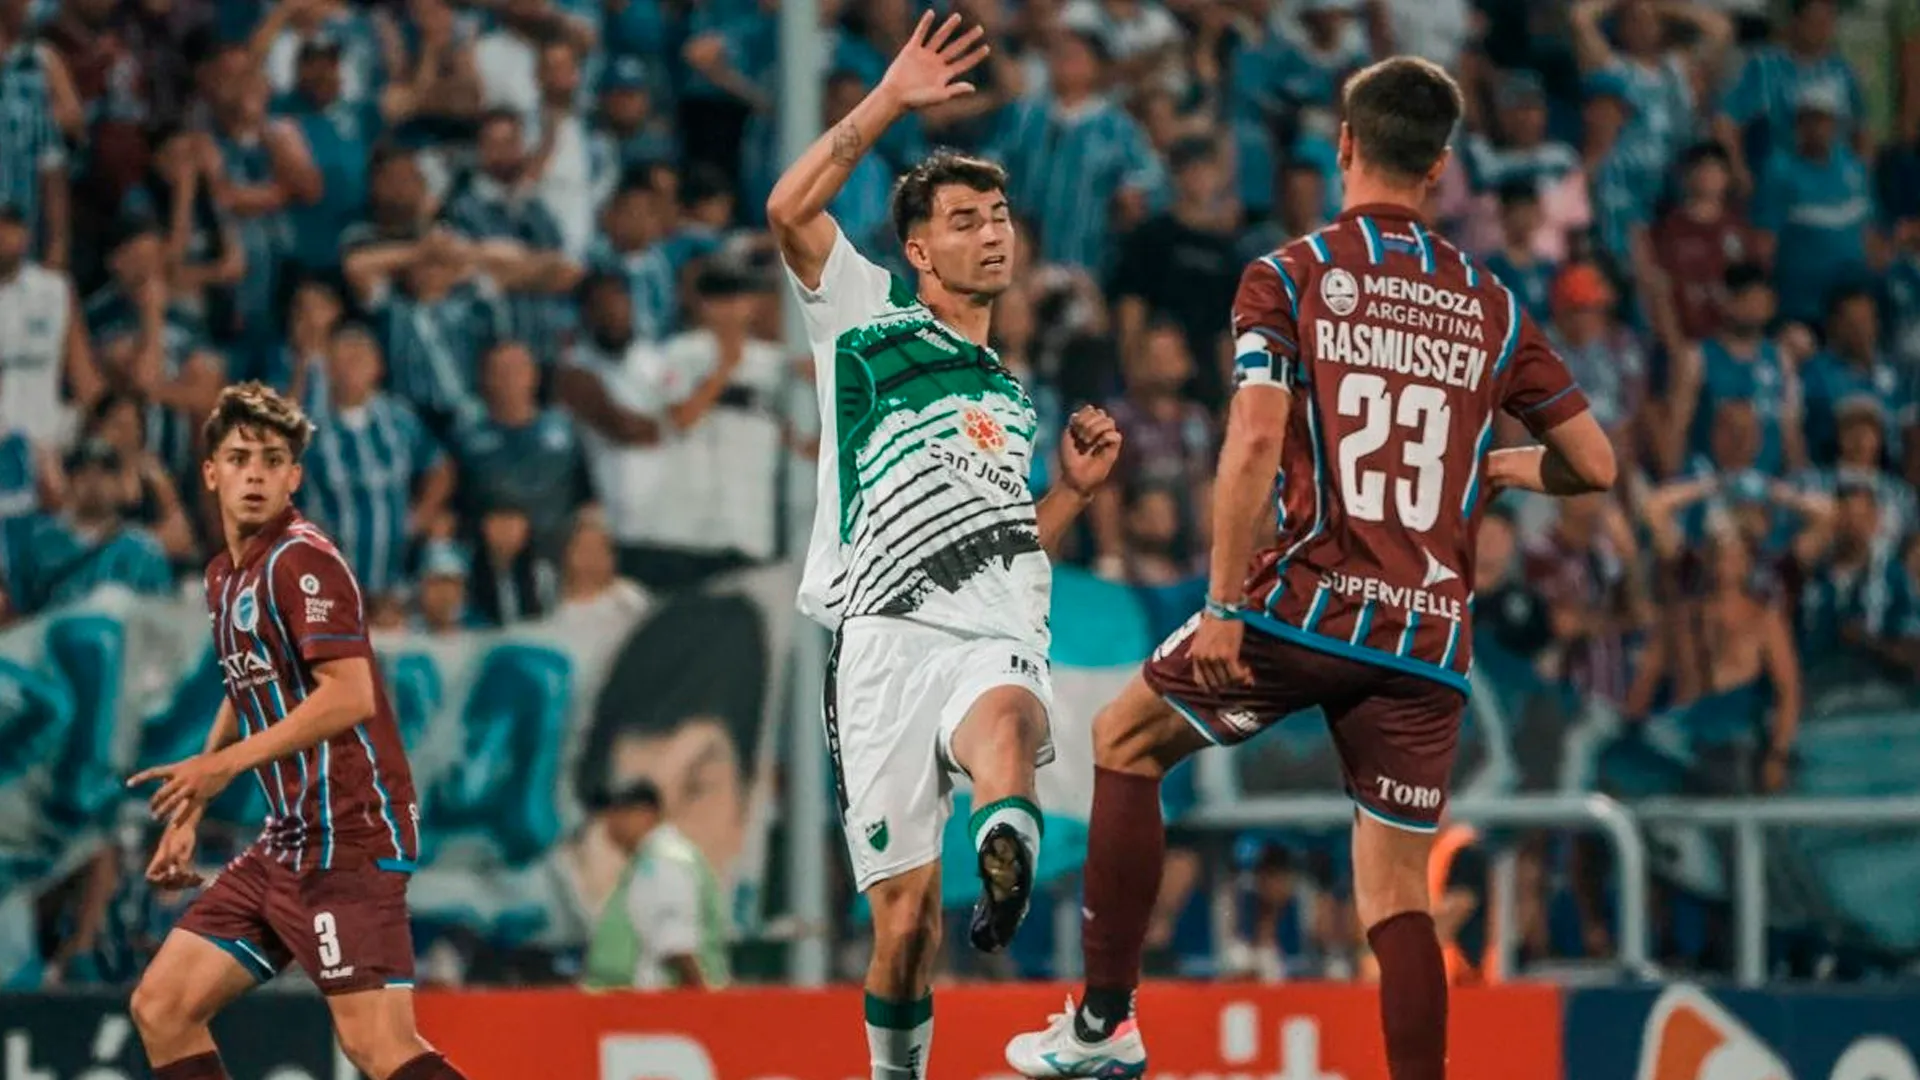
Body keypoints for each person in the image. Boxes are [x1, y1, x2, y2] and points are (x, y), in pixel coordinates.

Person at [1005, 56, 1617, 1078]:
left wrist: (1223, 604)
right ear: (1440, 169)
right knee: (1396, 893)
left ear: (1344, 147)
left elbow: (1250, 444)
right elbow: (1594, 463)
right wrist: (1493, 467)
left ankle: (1104, 1025)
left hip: (1308, 602)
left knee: (1124, 740)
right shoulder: (1491, 303)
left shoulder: (1290, 274)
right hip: (1428, 635)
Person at [765, 14, 1122, 1080]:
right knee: (907, 927)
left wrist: (1067, 493)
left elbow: (1008, 546)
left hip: (990, 629)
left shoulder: (1012, 398)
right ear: (919, 250)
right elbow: (788, 209)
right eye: (967, 220)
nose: (993, 232)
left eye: (1001, 215)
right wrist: (887, 100)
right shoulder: (865, 321)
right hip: (877, 639)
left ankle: (1006, 836)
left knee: (1011, 713)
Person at [123, 382, 466, 1080]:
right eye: (240, 457)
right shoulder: (225, 575)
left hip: (351, 830)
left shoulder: (301, 560)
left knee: (377, 1046)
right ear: (211, 471)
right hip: (288, 835)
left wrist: (222, 770)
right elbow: (246, 682)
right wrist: (194, 800)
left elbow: (350, 695)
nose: (255, 474)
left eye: (272, 460)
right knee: (162, 1006)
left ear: (294, 476)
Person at [580, 778, 729, 990]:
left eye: (620, 813)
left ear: (647, 814)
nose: (610, 823)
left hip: (659, 1006)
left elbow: (676, 945)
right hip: (641, 1005)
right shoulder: (648, 860)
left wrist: (705, 1009)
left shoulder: (664, 861)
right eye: (608, 814)